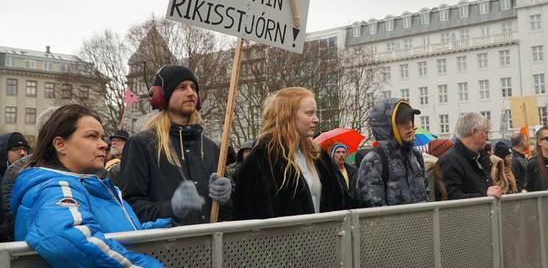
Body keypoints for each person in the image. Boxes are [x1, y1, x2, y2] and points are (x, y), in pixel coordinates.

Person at [10, 104, 170, 267]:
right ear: (60, 144)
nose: (104, 144)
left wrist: (163, 225)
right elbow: (68, 238)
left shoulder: (87, 185)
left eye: (102, 137)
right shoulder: (56, 188)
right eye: (92, 136)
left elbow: (110, 228)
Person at [121, 65, 232, 225]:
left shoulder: (211, 148)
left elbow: (229, 214)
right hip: (166, 248)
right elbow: (130, 208)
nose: (191, 93)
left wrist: (226, 198)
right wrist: (171, 208)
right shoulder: (141, 145)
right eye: (182, 87)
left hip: (211, 246)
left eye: (193, 88)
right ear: (161, 95)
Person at [232, 87, 344, 220]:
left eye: (315, 113)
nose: (316, 119)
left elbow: (343, 200)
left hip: (322, 238)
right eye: (309, 113)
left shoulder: (318, 155)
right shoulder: (263, 158)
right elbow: (251, 213)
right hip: (282, 240)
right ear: (287, 116)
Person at [356, 98, 428, 207]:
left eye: (410, 119)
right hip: (393, 224)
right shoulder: (373, 161)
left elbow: (426, 195)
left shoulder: (416, 156)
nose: (409, 125)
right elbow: (374, 209)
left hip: (421, 223)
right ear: (388, 126)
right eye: (402, 121)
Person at [1, 107, 57, 242]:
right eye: (16, 149)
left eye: (24, 149)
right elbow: (11, 212)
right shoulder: (16, 172)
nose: (21, 153)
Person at [437, 113, 502, 200]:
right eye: (486, 132)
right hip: (465, 213)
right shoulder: (450, 161)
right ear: (473, 131)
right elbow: (452, 197)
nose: (488, 137)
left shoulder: (480, 157)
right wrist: (485, 195)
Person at [330, 143, 359, 208]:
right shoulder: (329, 172)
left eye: (343, 152)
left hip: (352, 207)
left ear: (346, 155)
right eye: (338, 152)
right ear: (333, 155)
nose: (341, 155)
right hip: (337, 209)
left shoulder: (354, 171)